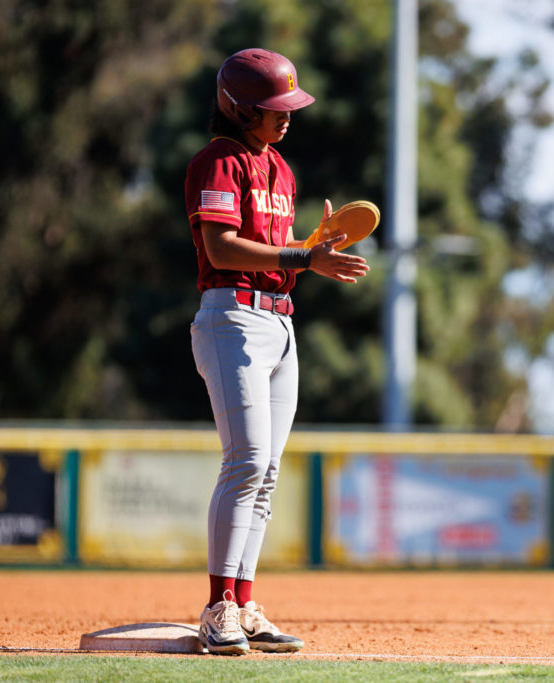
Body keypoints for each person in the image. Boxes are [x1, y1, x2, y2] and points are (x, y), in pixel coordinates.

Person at [185, 48, 369, 655]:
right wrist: (302, 257)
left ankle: (242, 604)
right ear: (236, 107)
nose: (286, 117)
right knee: (246, 461)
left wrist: (312, 244)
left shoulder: (282, 170)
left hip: (281, 323)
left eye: (289, 106)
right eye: (272, 108)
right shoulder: (217, 161)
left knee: (265, 474)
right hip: (231, 317)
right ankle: (217, 610)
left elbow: (273, 246)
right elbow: (222, 250)